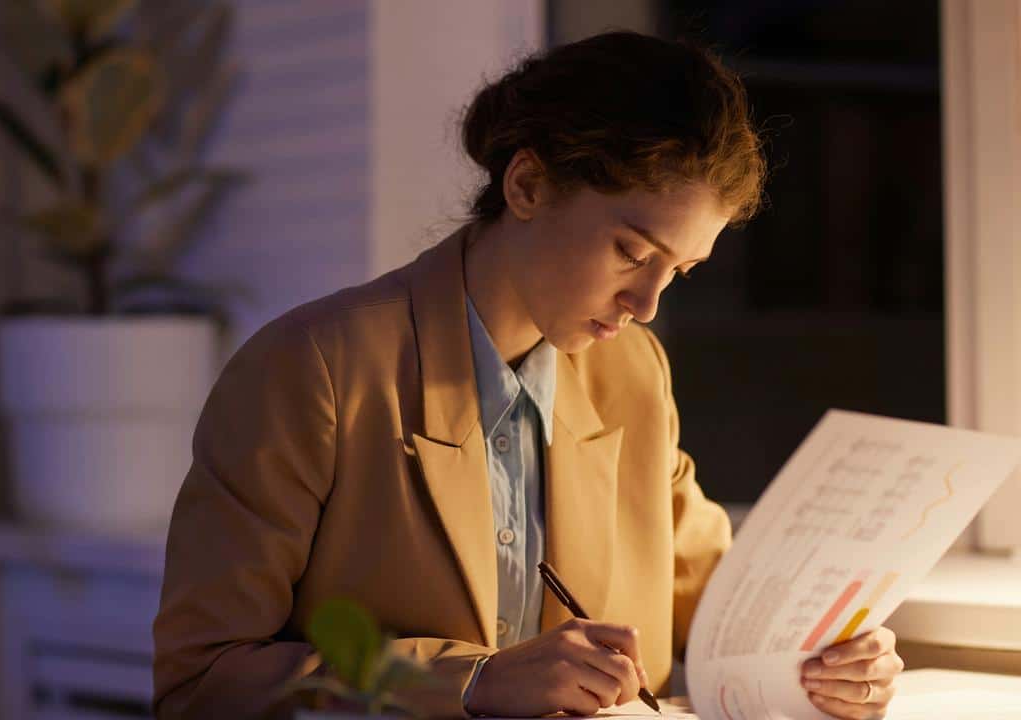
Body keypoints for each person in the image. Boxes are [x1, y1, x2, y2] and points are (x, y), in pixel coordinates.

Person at [152, 31, 904, 719]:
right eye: (633, 253)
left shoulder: (632, 374)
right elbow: (201, 682)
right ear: (528, 187)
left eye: (678, 272)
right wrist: (474, 682)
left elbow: (717, 609)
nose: (646, 304)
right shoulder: (312, 369)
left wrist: (824, 657)